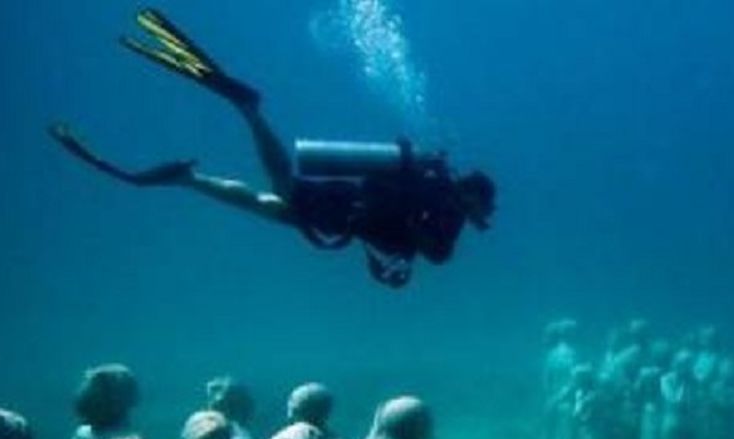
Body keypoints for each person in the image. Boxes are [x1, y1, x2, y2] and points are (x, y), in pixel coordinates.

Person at [50, 8, 494, 288]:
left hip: (345, 214)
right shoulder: (441, 203)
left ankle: (192, 179)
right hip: (343, 207)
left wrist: (391, 265)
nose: (483, 217)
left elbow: (412, 246)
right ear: (471, 194)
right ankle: (250, 111)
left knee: (266, 205)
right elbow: (433, 252)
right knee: (281, 187)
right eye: (482, 205)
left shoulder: (439, 198)